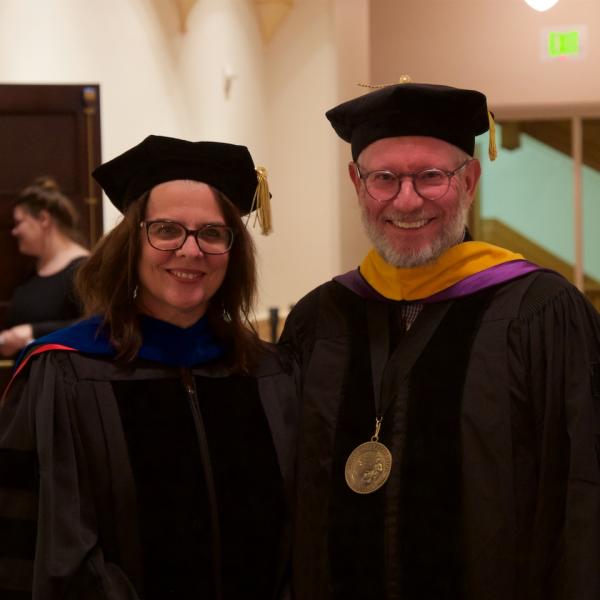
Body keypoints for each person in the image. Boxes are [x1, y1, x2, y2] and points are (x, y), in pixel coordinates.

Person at [280, 80, 600, 600]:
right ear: (356, 183)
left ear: (470, 180)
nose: (406, 200)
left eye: (431, 176)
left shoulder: (541, 312)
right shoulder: (319, 319)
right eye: (384, 178)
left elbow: (583, 494)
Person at [0, 135, 297, 599]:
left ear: (233, 251)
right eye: (166, 230)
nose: (191, 250)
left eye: (212, 233)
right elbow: (50, 543)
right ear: (132, 243)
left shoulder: (270, 374)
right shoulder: (64, 374)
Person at [0, 177, 89, 357]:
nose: (14, 231)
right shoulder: (33, 271)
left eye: (19, 222)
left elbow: (97, 325)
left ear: (43, 219)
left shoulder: (84, 269)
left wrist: (33, 331)